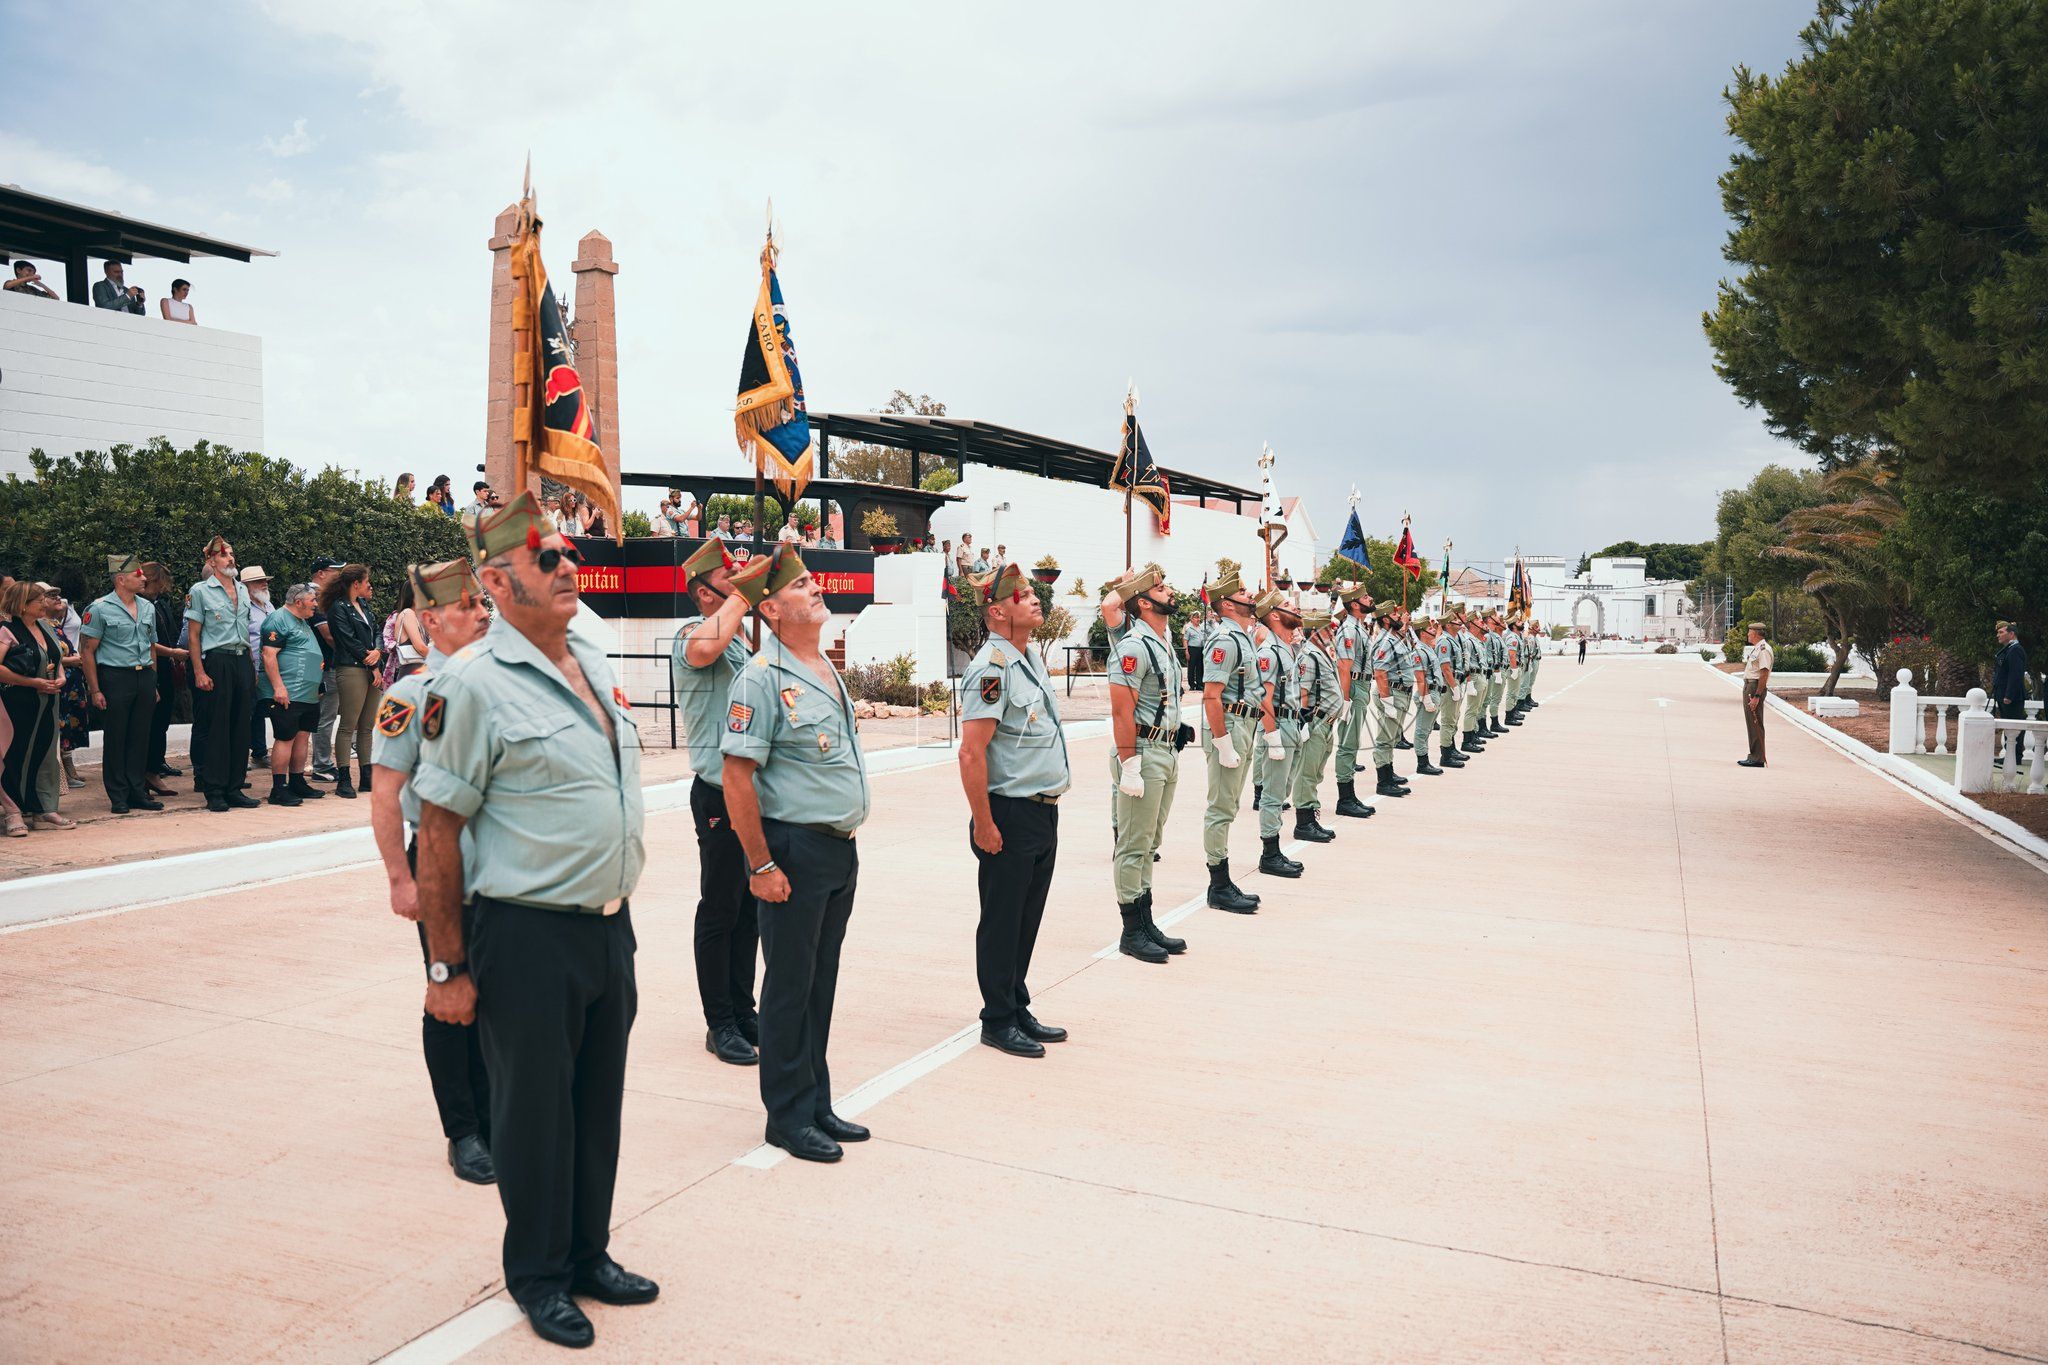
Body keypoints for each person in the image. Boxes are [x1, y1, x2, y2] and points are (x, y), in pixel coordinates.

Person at [413, 493, 655, 1350]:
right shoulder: (471, 684)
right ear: (495, 580)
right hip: (524, 934)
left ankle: (588, 1253)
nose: (566, 566)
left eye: (567, 552)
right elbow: (436, 831)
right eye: (545, 558)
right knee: (534, 1115)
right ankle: (540, 1275)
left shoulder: (588, 656)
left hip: (607, 927)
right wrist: (448, 969)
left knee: (596, 1105)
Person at [720, 545, 874, 1165]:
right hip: (792, 850)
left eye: (812, 580)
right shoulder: (760, 678)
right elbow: (736, 778)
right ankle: (786, 1117)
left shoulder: (825, 665)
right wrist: (760, 866)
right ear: (772, 609)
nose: (815, 588)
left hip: (836, 851)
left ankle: (814, 1102)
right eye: (801, 584)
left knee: (818, 986)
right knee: (788, 989)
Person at [370, 559, 494, 1185]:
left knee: (501, 996)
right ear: (431, 621)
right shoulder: (411, 695)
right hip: (444, 868)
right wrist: (401, 877)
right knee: (451, 993)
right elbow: (385, 794)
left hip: (507, 870)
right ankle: (464, 1131)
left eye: (482, 602)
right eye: (466, 605)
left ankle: (498, 1116)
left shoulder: (504, 684)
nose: (481, 613)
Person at [957, 561, 1072, 1058]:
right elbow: (971, 753)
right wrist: (984, 823)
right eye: (1023, 596)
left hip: (1041, 811)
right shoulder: (992, 668)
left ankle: (1016, 1003)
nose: (1034, 600)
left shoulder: (1027, 659)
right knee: (1003, 922)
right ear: (998, 611)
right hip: (1009, 814)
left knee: (1026, 920)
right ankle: (998, 1019)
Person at [669, 537, 761, 1066]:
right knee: (721, 907)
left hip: (753, 790)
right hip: (718, 792)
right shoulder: (692, 633)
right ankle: (719, 1021)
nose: (740, 582)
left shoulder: (741, 638)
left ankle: (744, 1010)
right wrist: (744, 599)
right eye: (729, 579)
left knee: (750, 908)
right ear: (705, 593)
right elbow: (704, 650)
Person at [1105, 564, 1185, 962]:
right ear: (1144, 603)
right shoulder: (1133, 646)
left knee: (1150, 842)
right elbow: (1121, 712)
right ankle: (1131, 930)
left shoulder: (1161, 640)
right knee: (1134, 845)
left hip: (1165, 750)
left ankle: (1146, 920)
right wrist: (1130, 765)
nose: (1170, 592)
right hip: (1143, 752)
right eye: (1161, 588)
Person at [1195, 567, 1261, 915]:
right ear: (1228, 604)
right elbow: (1211, 695)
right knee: (1220, 808)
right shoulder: (1225, 639)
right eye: (1243, 592)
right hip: (1230, 725)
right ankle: (1218, 884)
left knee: (1230, 805)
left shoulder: (1242, 636)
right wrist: (1222, 741)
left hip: (1243, 723)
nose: (1250, 596)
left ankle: (1223, 879)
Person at [80, 554, 165, 814]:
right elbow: (87, 651)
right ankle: (118, 795)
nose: (143, 578)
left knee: (140, 737)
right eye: (137, 574)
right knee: (116, 737)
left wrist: (153, 682)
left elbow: (151, 647)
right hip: (115, 677)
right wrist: (95, 689)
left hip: (143, 676)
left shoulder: (147, 607)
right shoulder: (99, 609)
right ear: (120, 579)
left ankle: (137, 791)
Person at [185, 536, 260, 812]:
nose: (230, 559)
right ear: (211, 560)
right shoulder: (200, 591)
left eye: (231, 554)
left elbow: (246, 631)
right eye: (224, 555)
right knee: (217, 726)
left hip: (241, 660)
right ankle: (214, 789)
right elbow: (194, 635)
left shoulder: (242, 589)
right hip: (217, 660)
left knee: (241, 725)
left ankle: (234, 787)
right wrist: (199, 671)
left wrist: (251, 666)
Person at [1, 580, 74, 829]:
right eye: (39, 601)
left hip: (49, 700)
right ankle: (14, 812)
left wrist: (61, 677)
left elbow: (56, 658)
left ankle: (43, 808)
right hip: (18, 702)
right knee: (17, 754)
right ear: (23, 605)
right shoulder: (7, 630)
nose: (45, 604)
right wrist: (32, 682)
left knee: (45, 752)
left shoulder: (45, 627)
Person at [1251, 590, 1307, 877]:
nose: (1294, 608)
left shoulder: (1286, 647)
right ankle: (1269, 854)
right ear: (1274, 615)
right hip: (1279, 725)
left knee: (1283, 791)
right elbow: (1265, 698)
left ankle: (1274, 849)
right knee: (1273, 794)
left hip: (1291, 723)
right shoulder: (1269, 651)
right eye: (1287, 605)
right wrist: (1271, 736)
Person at [257, 584, 328, 807]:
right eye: (312, 600)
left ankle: (297, 781)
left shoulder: (303, 621)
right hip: (288, 691)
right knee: (286, 737)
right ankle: (278, 789)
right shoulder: (278, 619)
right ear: (298, 602)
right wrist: (278, 687)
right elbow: (269, 655)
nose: (316, 604)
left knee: (302, 736)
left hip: (307, 693)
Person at [320, 564, 385, 799]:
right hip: (351, 668)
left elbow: (377, 631)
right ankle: (344, 778)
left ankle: (367, 776)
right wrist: (373, 663)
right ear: (356, 584)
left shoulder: (364, 605)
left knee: (367, 726)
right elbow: (347, 640)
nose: (370, 586)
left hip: (370, 668)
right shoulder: (338, 608)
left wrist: (378, 651)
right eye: (367, 581)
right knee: (348, 725)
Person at [1290, 609, 1344, 838]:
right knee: (1306, 774)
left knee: (1315, 773)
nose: (1331, 634)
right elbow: (1303, 692)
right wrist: (1303, 723)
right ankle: (1303, 824)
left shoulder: (1320, 653)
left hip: (1326, 723)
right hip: (1315, 722)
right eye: (1327, 630)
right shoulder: (1309, 655)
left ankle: (1311, 817)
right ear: (1315, 632)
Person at [138, 562, 187, 789]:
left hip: (167, 667)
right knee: (152, 723)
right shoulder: (141, 606)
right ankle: (148, 771)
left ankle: (156, 764)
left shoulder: (160, 604)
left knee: (162, 721)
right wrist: (172, 652)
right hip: (152, 667)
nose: (163, 588)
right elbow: (148, 642)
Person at [1329, 585, 1374, 816]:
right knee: (1348, 743)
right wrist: (1345, 699)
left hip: (1361, 686)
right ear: (1355, 604)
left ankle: (1350, 795)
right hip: (1354, 688)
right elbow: (1343, 667)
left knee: (1353, 741)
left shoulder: (1358, 627)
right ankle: (1344, 799)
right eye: (1365, 597)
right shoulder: (1349, 629)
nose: (1370, 598)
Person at [1367, 603, 1417, 798]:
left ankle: (1389, 772)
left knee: (1391, 738)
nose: (1399, 617)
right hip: (1391, 693)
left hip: (1399, 693)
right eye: (1395, 615)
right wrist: (1387, 701)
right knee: (1384, 740)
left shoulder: (1394, 637)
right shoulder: (1386, 640)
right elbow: (1380, 672)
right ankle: (1383, 781)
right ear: (1386, 619)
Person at [306, 556, 346, 782]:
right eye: (334, 570)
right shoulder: (317, 596)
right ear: (321, 573)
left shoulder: (317, 595)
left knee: (323, 716)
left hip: (320, 664)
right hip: (324, 665)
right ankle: (321, 765)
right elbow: (329, 635)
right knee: (325, 717)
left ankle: (321, 763)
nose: (339, 575)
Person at [241, 566, 274, 768]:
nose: (264, 584)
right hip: (250, 666)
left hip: (268, 667)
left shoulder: (268, 604)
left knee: (261, 710)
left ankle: (259, 752)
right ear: (246, 586)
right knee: (247, 711)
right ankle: (241, 755)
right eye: (258, 581)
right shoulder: (243, 607)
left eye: (265, 580)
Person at [1406, 616, 1446, 776]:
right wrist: (1426, 698)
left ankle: (1424, 761)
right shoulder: (1420, 651)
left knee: (1427, 729)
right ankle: (1422, 763)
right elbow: (1420, 677)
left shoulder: (1428, 648)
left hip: (1435, 692)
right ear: (1422, 633)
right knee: (1422, 731)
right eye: (1430, 629)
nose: (1434, 631)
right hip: (1428, 692)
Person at [1992, 621, 2029, 768]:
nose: (1998, 635)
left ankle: (2015, 756)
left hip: (2012, 698)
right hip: (2004, 695)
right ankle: (2010, 755)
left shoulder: (2015, 650)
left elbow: (2015, 675)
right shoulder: (2009, 649)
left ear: (2011, 634)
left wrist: (2009, 695)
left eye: (2001, 632)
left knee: (2014, 726)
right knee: (2009, 727)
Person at [382, 576, 430, 688]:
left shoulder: (417, 617)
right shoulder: (408, 613)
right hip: (411, 674)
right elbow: (420, 647)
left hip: (416, 674)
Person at [1738, 622, 1772, 768]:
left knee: (1755, 722)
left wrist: (1757, 696)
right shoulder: (1758, 648)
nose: (1748, 635)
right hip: (1750, 686)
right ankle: (1755, 755)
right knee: (1752, 722)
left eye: (1749, 632)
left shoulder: (1763, 650)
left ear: (1756, 634)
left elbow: (1764, 674)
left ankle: (1758, 758)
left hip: (1754, 687)